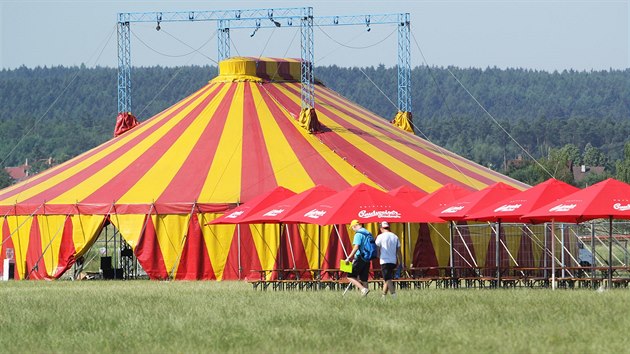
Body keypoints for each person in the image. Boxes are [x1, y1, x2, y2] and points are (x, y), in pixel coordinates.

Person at [344, 219, 372, 297]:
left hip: (360, 257)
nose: (353, 230)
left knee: (350, 276)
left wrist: (349, 258)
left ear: (355, 226)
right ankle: (365, 298)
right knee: (364, 278)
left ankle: (363, 289)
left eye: (352, 228)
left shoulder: (358, 234)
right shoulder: (368, 233)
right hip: (367, 258)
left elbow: (356, 247)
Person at [375, 221, 402, 298]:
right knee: (386, 279)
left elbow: (377, 249)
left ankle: (394, 296)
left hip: (384, 260)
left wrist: (378, 256)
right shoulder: (395, 236)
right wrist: (401, 262)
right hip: (393, 261)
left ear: (381, 228)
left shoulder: (380, 237)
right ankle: (383, 296)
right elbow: (399, 251)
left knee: (387, 279)